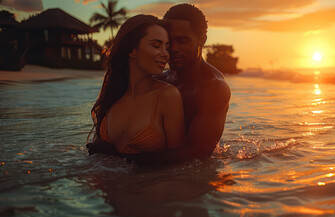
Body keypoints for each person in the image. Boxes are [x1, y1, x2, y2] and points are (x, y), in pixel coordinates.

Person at [89, 4, 231, 164]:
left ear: (202, 41)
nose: (174, 49)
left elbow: (198, 153)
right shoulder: (161, 80)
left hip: (189, 181)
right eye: (169, 41)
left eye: (183, 40)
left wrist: (121, 159)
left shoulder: (213, 88)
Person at [87, 14, 185, 155]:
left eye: (167, 47)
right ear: (132, 50)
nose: (165, 54)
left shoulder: (167, 96)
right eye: (156, 45)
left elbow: (180, 164)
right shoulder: (112, 97)